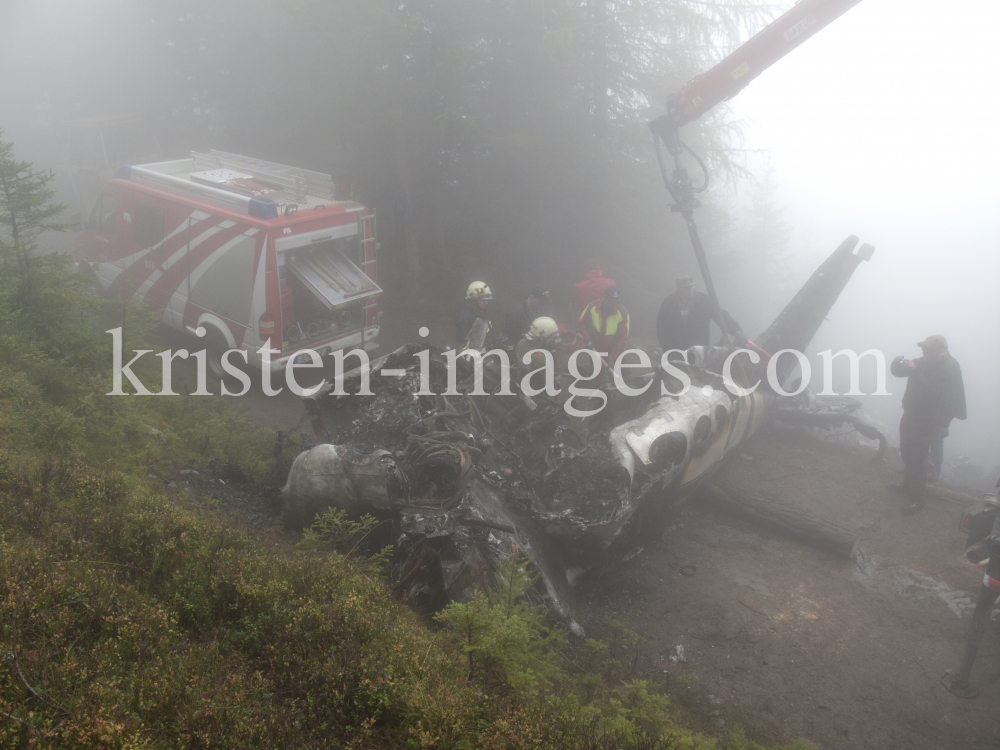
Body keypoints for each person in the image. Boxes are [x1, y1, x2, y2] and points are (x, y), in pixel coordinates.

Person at [890, 334, 966, 513]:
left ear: (941, 351)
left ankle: (918, 499)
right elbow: (899, 373)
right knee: (907, 450)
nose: (923, 352)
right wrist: (896, 363)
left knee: (918, 457)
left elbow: (934, 392)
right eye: (923, 349)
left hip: (925, 419)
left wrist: (915, 371)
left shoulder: (944, 368)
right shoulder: (922, 362)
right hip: (910, 413)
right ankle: (906, 486)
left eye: (928, 349)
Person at [656, 275, 746, 353]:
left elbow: (721, 316)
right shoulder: (669, 303)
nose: (690, 290)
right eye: (686, 287)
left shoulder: (704, 301)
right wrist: (667, 349)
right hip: (675, 351)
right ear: (679, 288)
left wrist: (736, 330)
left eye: (691, 286)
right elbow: (661, 328)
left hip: (700, 352)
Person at [579, 285, 630, 363]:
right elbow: (582, 323)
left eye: (616, 302)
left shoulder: (623, 313)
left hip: (613, 347)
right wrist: (587, 339)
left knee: (622, 371)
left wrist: (613, 357)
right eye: (611, 302)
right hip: (596, 347)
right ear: (605, 299)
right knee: (596, 373)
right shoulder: (592, 306)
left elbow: (622, 338)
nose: (614, 305)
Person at [514, 316, 560, 383]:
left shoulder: (521, 343)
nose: (552, 340)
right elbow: (551, 384)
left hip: (520, 383)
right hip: (534, 391)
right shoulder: (541, 360)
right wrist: (557, 380)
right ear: (540, 340)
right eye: (551, 337)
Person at [456, 281, 493, 348]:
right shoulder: (465, 319)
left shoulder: (481, 314)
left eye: (487, 300)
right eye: (483, 300)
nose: (486, 303)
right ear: (473, 299)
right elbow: (463, 346)